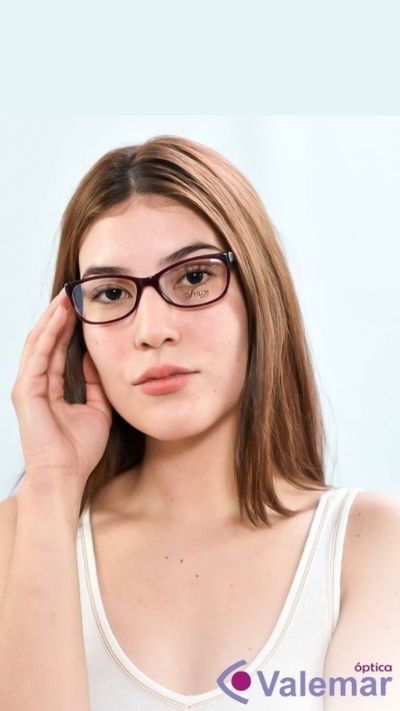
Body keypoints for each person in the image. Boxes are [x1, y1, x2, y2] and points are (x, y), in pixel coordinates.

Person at [0, 135, 399, 711]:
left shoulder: (371, 544)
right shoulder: (22, 539)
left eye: (192, 278)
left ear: (259, 295)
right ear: (74, 329)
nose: (152, 330)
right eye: (111, 292)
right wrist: (52, 483)